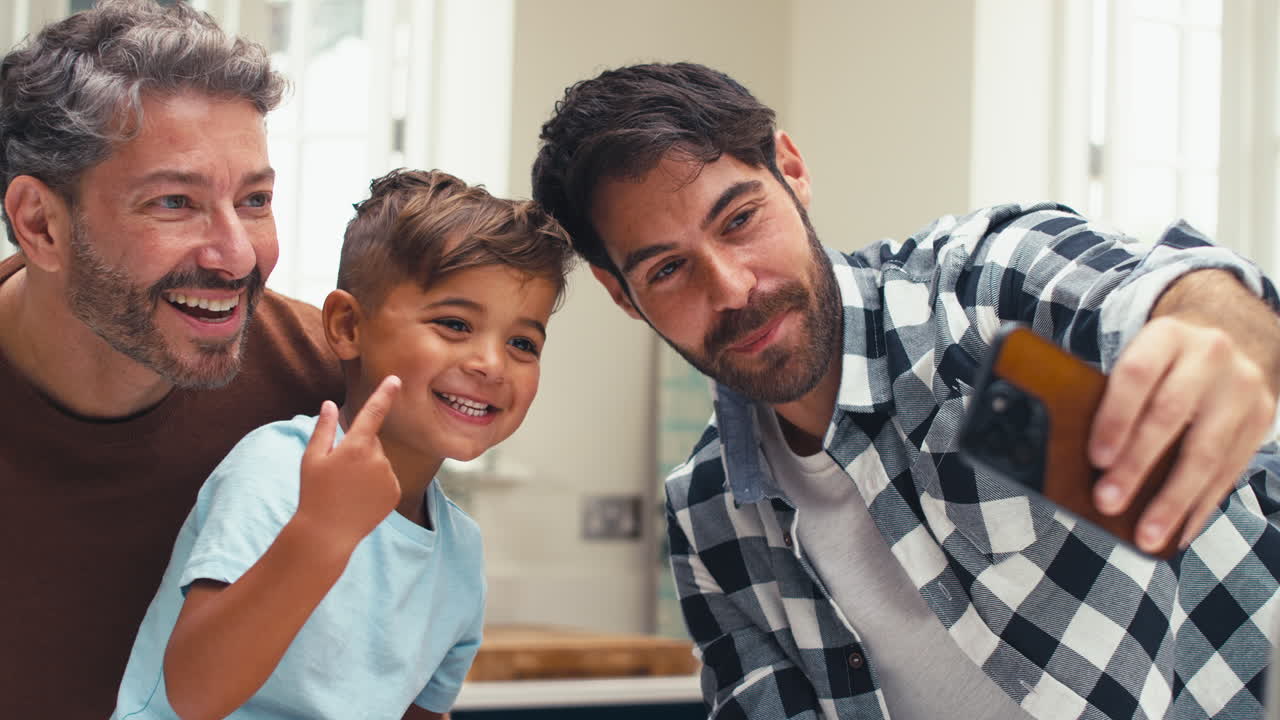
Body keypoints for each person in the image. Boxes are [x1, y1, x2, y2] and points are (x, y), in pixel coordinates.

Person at [531, 62, 1280, 719]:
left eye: (740, 219)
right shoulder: (709, 516)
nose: (731, 289)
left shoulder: (971, 302)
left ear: (791, 170)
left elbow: (1163, 289)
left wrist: (1213, 332)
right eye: (667, 269)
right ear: (623, 294)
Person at [111, 168, 575, 720]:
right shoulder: (277, 470)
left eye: (523, 343)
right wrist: (322, 532)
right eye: (454, 324)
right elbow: (194, 694)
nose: (492, 364)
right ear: (348, 327)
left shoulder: (460, 551)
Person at [0, 2, 345, 716]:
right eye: (174, 203)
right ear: (40, 224)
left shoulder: (328, 383)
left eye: (255, 200)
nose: (238, 256)